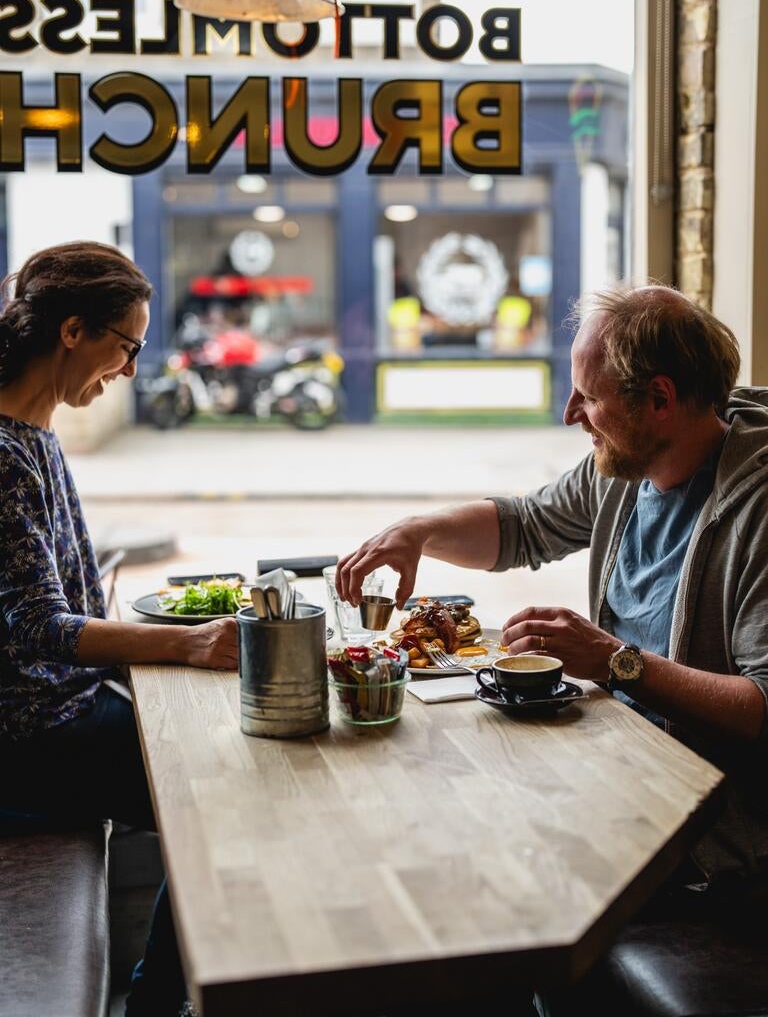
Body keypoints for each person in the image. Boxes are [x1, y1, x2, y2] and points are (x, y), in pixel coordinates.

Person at [337, 283, 768, 910]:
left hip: (710, 833)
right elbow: (523, 526)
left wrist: (614, 660)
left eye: (588, 397)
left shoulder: (757, 508)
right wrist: (417, 533)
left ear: (659, 399)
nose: (570, 414)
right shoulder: (627, 467)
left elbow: (762, 706)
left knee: (476, 874)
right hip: (622, 767)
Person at [0, 241, 238, 1017]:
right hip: (28, 730)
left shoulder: (33, 432)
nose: (130, 371)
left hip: (56, 709)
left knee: (216, 762)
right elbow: (39, 625)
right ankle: (159, 1005)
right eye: (127, 347)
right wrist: (190, 641)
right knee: (221, 801)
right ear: (74, 332)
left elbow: (61, 598)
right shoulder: (5, 453)